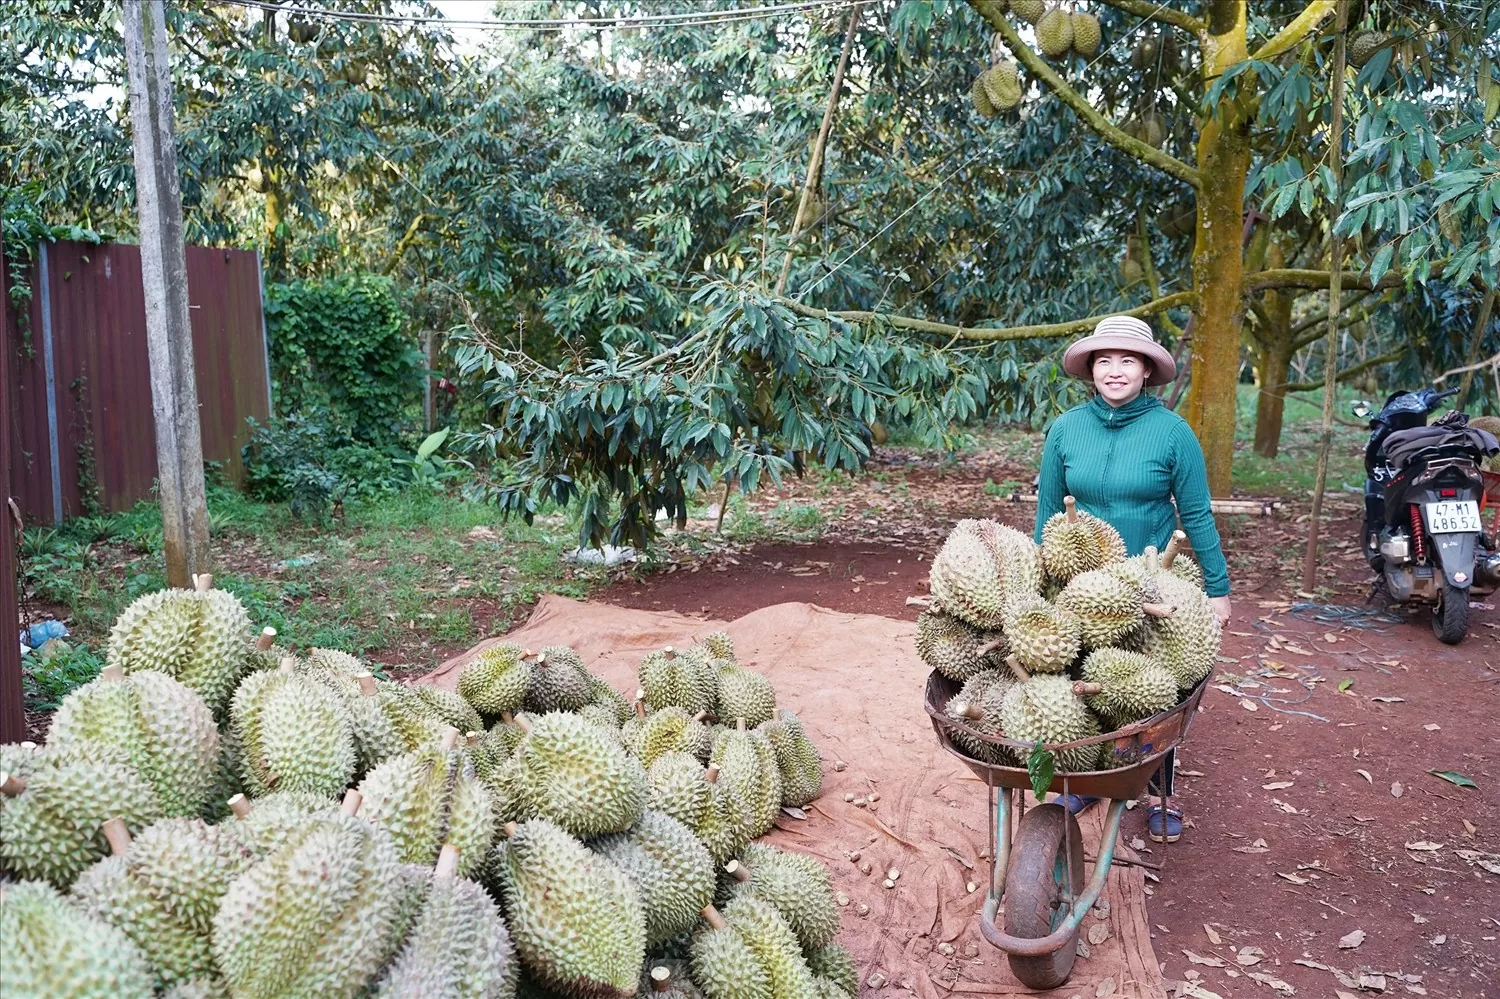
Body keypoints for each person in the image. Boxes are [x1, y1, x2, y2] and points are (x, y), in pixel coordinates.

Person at [1033, 314, 1232, 843]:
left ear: (1147, 371)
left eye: (1127, 361)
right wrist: (1038, 580)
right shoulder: (1066, 430)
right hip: (1082, 582)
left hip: (1154, 583)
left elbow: (1197, 514)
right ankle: (1088, 777)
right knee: (1083, 683)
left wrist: (1217, 589)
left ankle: (1161, 787)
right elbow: (1048, 512)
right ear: (1090, 370)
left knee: (1158, 691)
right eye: (1104, 360)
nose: (1114, 370)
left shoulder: (1172, 433)